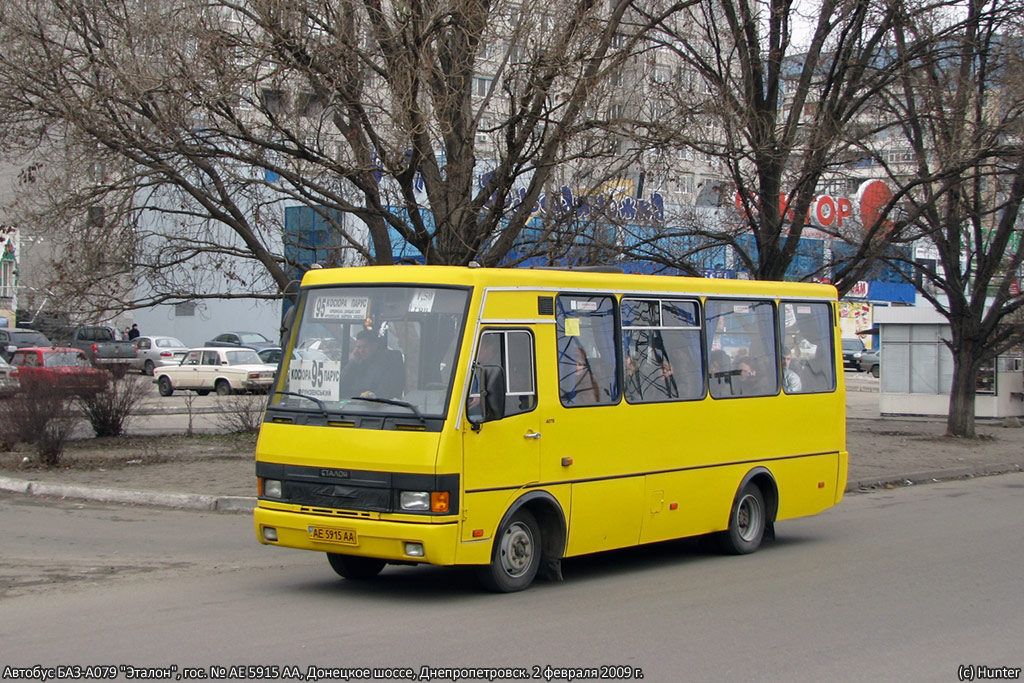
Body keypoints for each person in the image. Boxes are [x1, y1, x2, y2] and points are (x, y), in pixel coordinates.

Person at [338, 329, 405, 399]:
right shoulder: (357, 364)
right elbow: (340, 387)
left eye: (365, 346)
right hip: (352, 405)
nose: (361, 350)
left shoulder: (389, 363)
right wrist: (353, 361)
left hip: (376, 407)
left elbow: (385, 393)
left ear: (375, 345)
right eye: (359, 347)